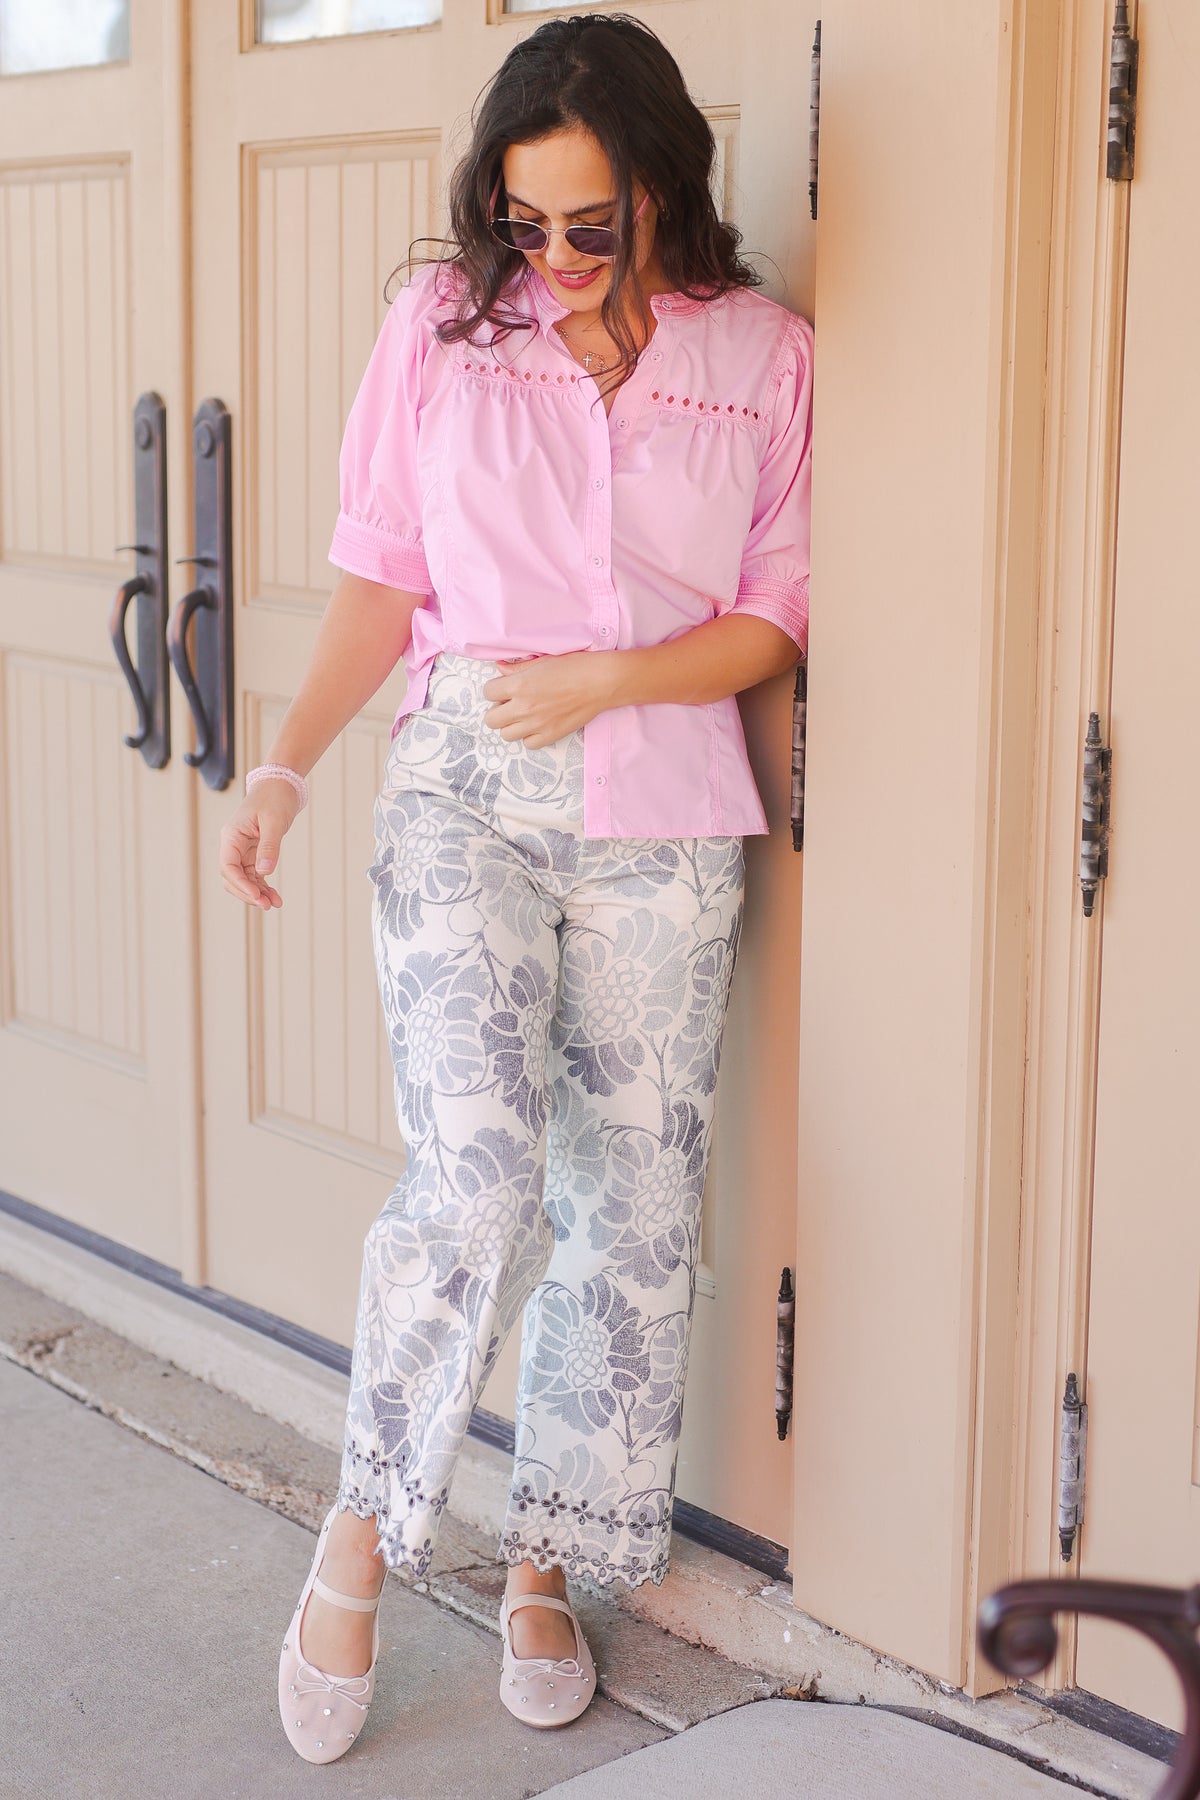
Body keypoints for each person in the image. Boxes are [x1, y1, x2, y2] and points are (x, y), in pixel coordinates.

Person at [219, 10, 811, 1766]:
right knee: (476, 1176)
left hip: (665, 812)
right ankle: (362, 1533)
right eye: (522, 219)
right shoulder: (440, 326)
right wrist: (283, 765)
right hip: (466, 795)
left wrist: (613, 682)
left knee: (630, 1204)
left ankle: (545, 1560)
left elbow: (775, 614)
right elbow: (380, 578)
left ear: (663, 190)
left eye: (590, 224)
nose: (550, 254)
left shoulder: (763, 356)